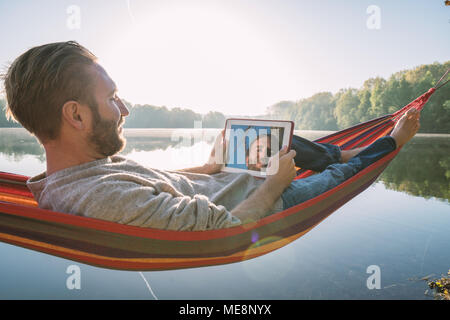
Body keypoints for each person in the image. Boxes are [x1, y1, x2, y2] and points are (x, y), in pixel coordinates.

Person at [1, 41, 420, 230]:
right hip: (269, 200)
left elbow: (150, 186)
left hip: (231, 179)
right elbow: (227, 228)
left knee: (274, 139)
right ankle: (390, 143)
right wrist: (275, 184)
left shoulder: (81, 174)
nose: (124, 109)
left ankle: (341, 153)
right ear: (75, 115)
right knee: (339, 177)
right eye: (112, 98)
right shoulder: (100, 198)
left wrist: (209, 166)